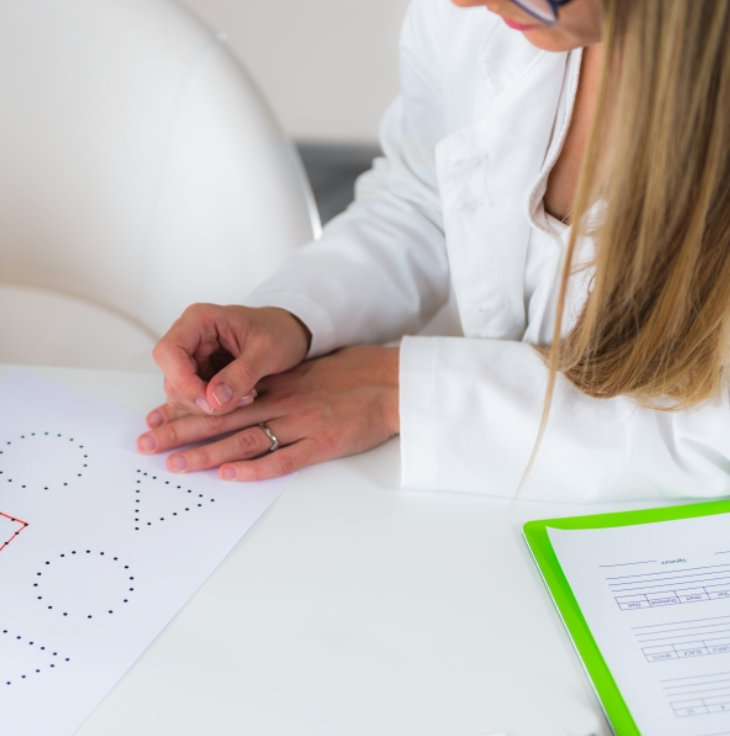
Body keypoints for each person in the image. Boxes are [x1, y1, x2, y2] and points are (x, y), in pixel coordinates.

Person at [139, 0, 730, 501]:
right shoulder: (484, 20)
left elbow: (711, 439)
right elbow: (428, 196)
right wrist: (293, 315)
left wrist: (402, 392)